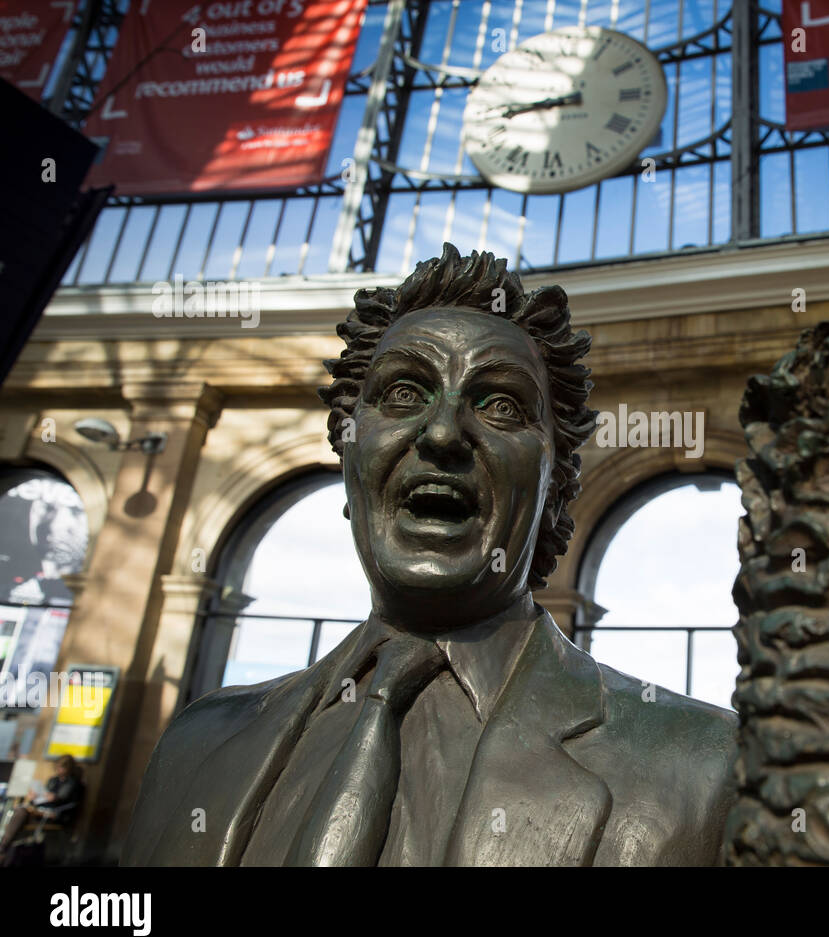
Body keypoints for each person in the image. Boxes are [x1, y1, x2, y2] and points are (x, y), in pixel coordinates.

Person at [122, 243, 738, 866]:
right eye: (403, 393)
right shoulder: (196, 744)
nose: (442, 433)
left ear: (556, 488)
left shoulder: (704, 766)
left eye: (501, 405)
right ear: (349, 457)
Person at [0, 755, 84, 855]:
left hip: (57, 814)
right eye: (58, 767)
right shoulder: (54, 780)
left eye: (62, 767)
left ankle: (4, 847)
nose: (59, 769)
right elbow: (44, 795)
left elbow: (63, 799)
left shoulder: (73, 783)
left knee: (21, 814)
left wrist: (54, 797)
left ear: (69, 768)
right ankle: (5, 847)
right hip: (41, 810)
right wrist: (35, 797)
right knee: (20, 811)